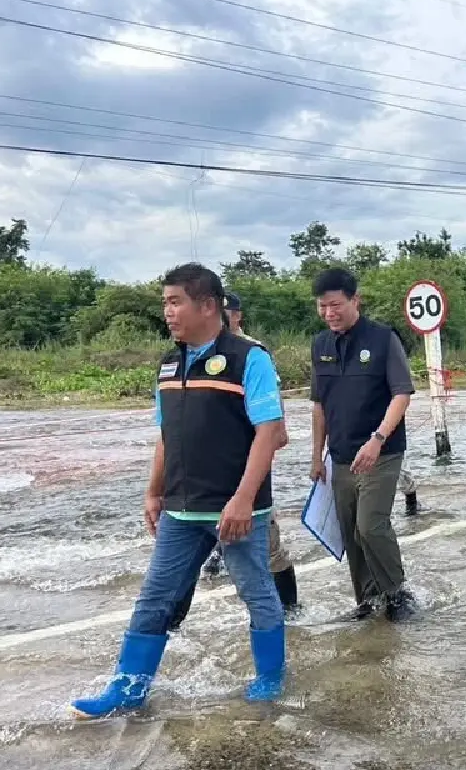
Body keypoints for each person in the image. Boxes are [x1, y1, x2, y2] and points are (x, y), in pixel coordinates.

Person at [72, 264, 288, 718]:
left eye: (175, 302)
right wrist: (153, 493)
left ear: (207, 305)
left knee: (256, 591)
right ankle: (127, 689)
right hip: (181, 509)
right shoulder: (170, 363)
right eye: (165, 303)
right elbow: (167, 435)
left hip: (237, 508)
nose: (167, 312)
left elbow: (269, 433)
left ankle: (270, 677)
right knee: (155, 597)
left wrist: (243, 500)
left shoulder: (249, 358)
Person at [179, 291, 301, 618]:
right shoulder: (195, 350)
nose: (223, 317)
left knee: (269, 545)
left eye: (228, 312)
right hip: (206, 473)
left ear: (236, 316)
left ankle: (289, 611)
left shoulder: (251, 353)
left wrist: (275, 434)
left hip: (247, 463)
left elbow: (272, 412)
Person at [310, 269, 417, 622]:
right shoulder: (320, 345)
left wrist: (378, 438)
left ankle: (397, 593)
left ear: (355, 300)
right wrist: (316, 456)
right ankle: (367, 600)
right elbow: (319, 405)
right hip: (339, 455)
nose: (329, 313)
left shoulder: (383, 339)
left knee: (371, 525)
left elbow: (402, 393)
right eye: (322, 307)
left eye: (336, 305)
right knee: (351, 531)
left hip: (381, 452)